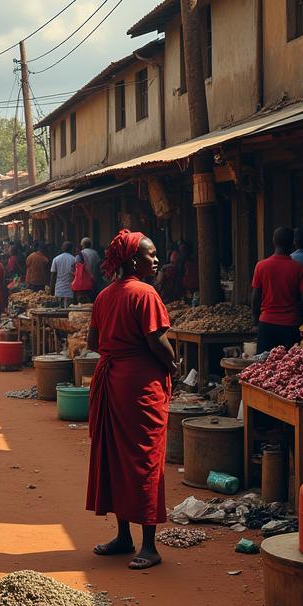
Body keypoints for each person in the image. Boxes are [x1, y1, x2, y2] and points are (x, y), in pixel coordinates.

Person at [86, 230, 175, 571]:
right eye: (151, 254)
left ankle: (124, 534)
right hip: (140, 387)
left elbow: (94, 341)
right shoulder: (146, 293)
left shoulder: (105, 295)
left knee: (117, 457)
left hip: (113, 381)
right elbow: (158, 342)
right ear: (133, 260)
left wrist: (118, 353)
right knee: (144, 458)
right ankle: (148, 545)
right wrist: (174, 363)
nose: (156, 259)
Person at [251, 226, 303, 353]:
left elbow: (255, 298)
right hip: (290, 326)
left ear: (273, 241)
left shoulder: (261, 266)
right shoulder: (298, 268)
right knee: (290, 368)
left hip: (266, 324)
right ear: (292, 243)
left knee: (263, 367)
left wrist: (256, 322)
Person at [72, 237, 101, 304]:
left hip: (83, 284)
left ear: (82, 245)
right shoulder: (95, 253)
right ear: (90, 244)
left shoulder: (80, 254)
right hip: (94, 282)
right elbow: (98, 267)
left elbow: (76, 268)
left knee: (83, 304)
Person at [50, 241, 77, 306]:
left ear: (62, 248)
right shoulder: (74, 259)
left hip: (59, 290)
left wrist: (52, 290)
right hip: (70, 290)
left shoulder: (56, 259)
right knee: (69, 312)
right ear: (71, 249)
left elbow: (53, 276)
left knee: (58, 313)